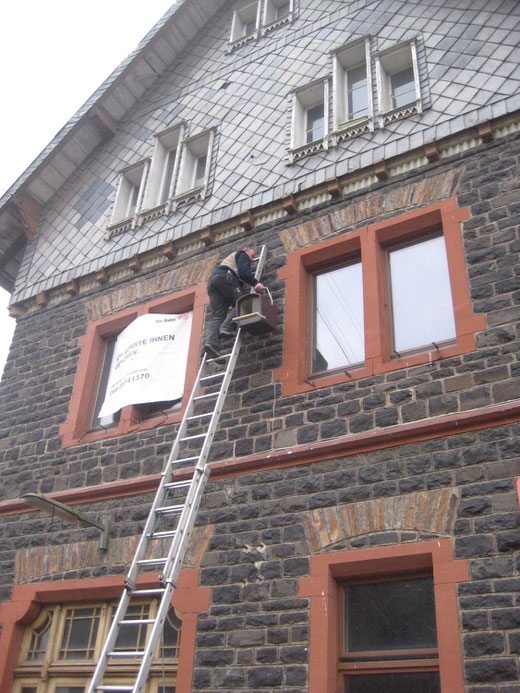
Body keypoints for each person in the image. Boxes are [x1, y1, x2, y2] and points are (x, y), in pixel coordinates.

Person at [204, 247, 265, 359]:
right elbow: (243, 272)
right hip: (225, 277)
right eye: (252, 255)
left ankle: (212, 345)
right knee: (243, 303)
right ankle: (227, 327)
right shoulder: (242, 254)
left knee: (217, 315)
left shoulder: (228, 261)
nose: (252, 259)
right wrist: (255, 283)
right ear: (246, 250)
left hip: (213, 282)